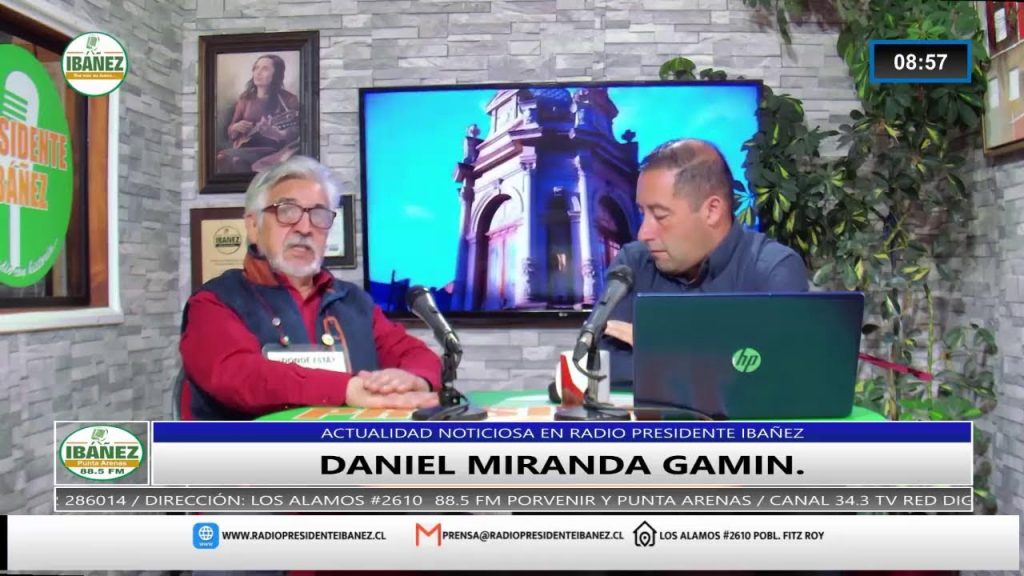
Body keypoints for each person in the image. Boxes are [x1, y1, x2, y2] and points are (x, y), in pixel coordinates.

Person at [180, 156, 441, 420]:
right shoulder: (214, 302)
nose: (305, 228)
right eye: (286, 211)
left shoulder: (353, 301)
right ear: (253, 226)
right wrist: (346, 390)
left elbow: (415, 354)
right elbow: (238, 375)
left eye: (319, 215)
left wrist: (414, 379)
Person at [600, 138, 809, 386]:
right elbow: (597, 365)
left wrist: (662, 349)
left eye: (660, 215)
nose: (643, 233)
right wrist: (714, 360)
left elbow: (781, 377)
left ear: (712, 210)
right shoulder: (632, 264)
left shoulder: (772, 269)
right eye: (642, 214)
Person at [216, 54, 301, 174]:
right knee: (222, 158)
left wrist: (276, 134)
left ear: (276, 74)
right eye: (256, 68)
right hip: (246, 148)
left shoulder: (288, 99)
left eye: (265, 69)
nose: (258, 73)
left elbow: (297, 133)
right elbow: (231, 132)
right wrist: (236, 127)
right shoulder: (245, 99)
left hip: (275, 151)